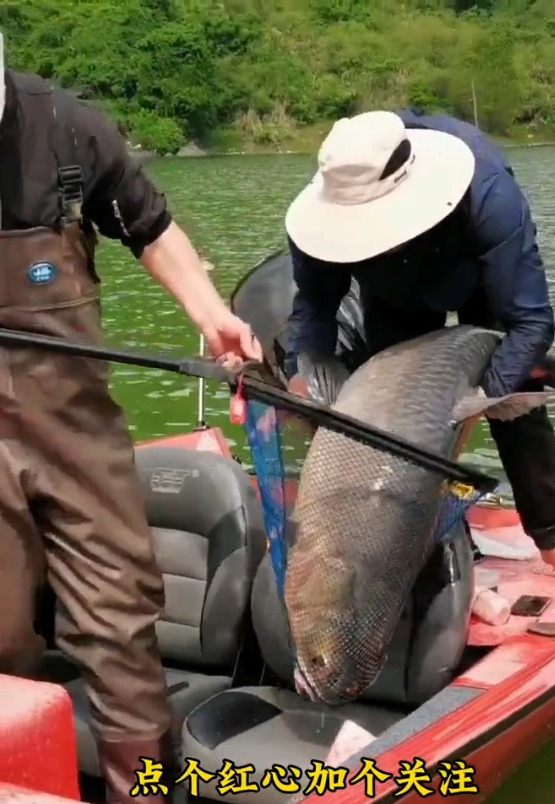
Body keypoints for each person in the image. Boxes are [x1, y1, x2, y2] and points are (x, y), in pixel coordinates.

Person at [0, 35, 261, 804]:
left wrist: (211, 316)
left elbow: (148, 225)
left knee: (119, 621)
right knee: (3, 629)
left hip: (74, 428)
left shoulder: (66, 126)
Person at [283, 106, 555, 590]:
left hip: (478, 281)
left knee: (516, 409)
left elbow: (530, 323)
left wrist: (477, 398)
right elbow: (314, 310)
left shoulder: (488, 195)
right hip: (394, 293)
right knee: (398, 422)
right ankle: (441, 537)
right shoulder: (329, 209)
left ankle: (554, 541)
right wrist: (299, 378)